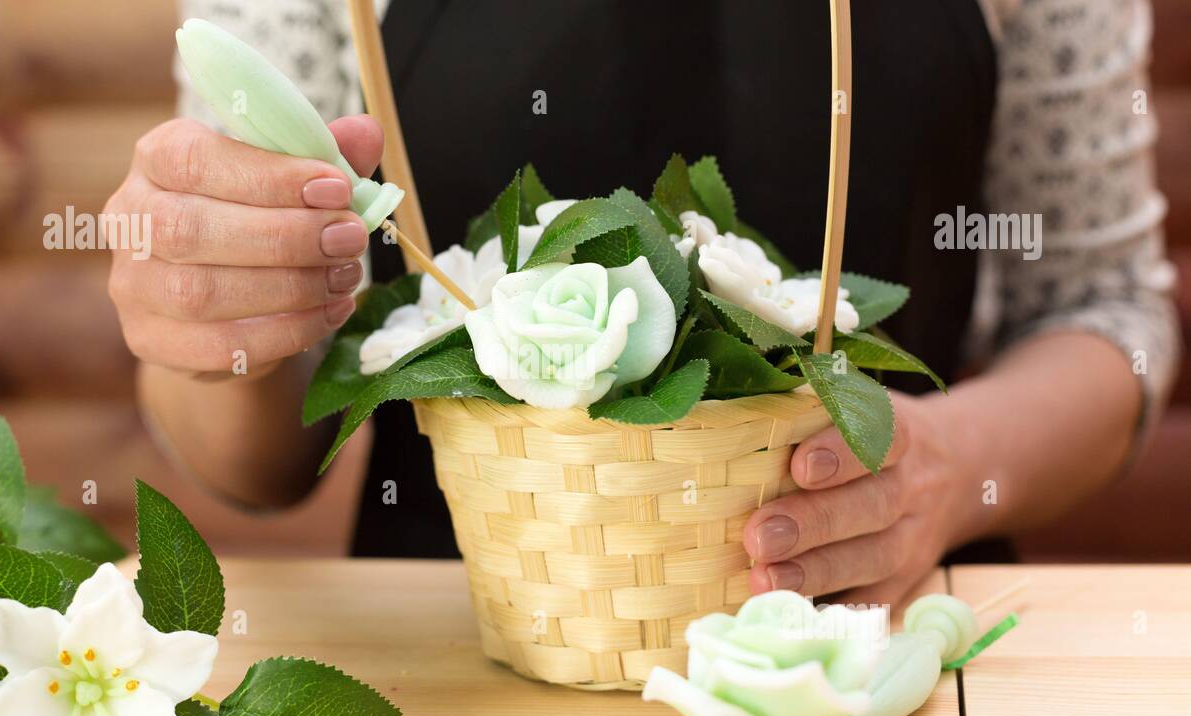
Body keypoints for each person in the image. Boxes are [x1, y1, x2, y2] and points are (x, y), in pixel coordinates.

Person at [105, 0, 1180, 604]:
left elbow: (1107, 312)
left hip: (877, 650)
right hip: (463, 658)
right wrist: (219, 332)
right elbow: (258, 462)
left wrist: (943, 468)